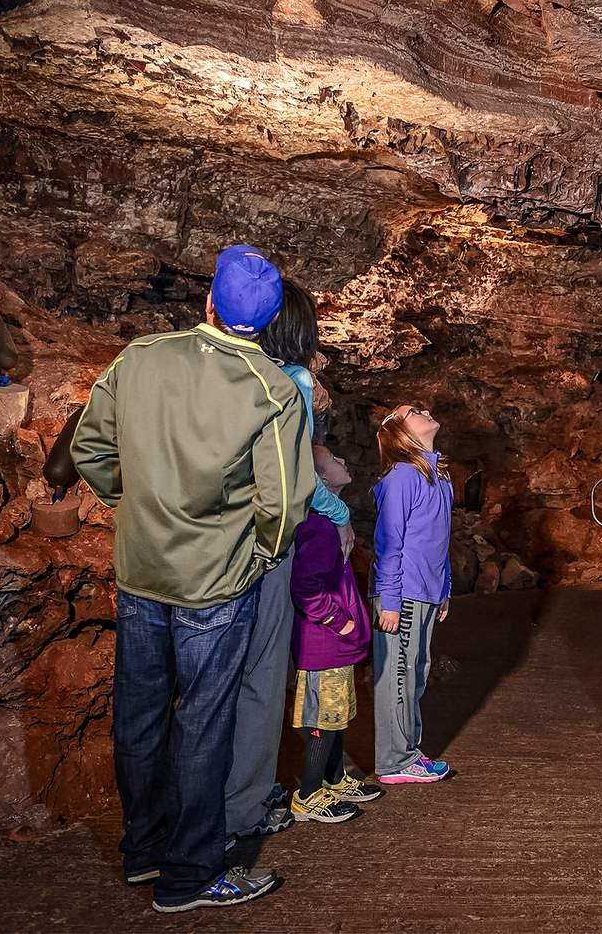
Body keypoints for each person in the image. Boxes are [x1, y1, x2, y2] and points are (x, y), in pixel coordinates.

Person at [71, 244, 314, 912]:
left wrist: (134, 502)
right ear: (264, 323)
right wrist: (261, 554)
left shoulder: (141, 358)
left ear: (209, 301)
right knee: (205, 722)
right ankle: (191, 874)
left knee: (141, 714)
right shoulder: (273, 388)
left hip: (143, 573)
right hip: (216, 583)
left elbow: (89, 448)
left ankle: (143, 852)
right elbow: (286, 500)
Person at [223, 281, 356, 842]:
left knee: (216, 686)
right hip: (272, 541)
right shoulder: (290, 380)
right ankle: (250, 808)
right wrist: (338, 513)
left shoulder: (224, 370)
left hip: (217, 542)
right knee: (260, 681)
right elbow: (295, 473)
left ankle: (226, 805)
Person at [288, 445, 384, 822]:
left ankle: (334, 778)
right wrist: (339, 622)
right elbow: (305, 586)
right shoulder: (317, 527)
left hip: (335, 645)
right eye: (333, 460)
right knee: (320, 721)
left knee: (335, 716)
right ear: (321, 479)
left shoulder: (328, 525)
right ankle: (308, 795)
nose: (344, 461)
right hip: (323, 643)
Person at [371, 404, 454, 785]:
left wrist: (445, 588)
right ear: (401, 433)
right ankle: (394, 761)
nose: (426, 411)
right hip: (401, 593)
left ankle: (408, 751)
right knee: (397, 677)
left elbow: (439, 541)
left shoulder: (440, 477)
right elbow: (389, 542)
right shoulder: (401, 477)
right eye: (414, 411)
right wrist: (388, 599)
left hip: (425, 591)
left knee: (416, 673)